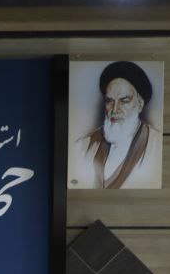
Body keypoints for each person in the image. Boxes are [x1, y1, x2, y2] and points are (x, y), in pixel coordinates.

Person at [69, 60, 163, 190]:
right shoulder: (83, 146)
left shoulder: (157, 145)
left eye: (124, 101)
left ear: (140, 104)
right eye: (109, 101)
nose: (114, 110)